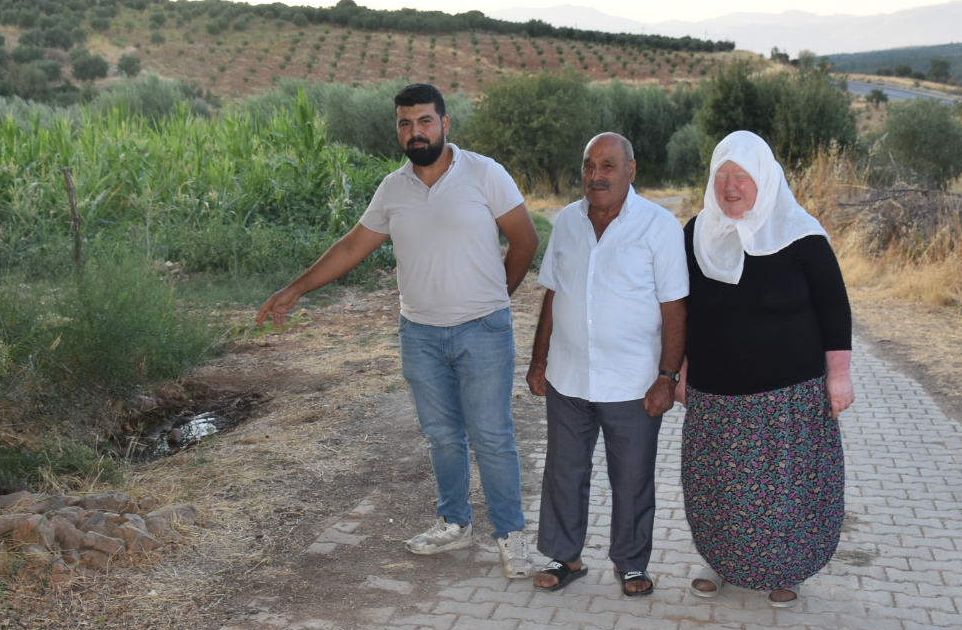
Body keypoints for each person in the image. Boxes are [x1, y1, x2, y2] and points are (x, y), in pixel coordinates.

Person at [256, 83, 541, 578]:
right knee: (442, 436)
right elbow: (351, 247)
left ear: (444, 123)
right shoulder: (393, 188)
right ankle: (455, 523)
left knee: (492, 436)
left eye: (425, 121)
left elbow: (526, 239)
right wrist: (295, 289)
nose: (415, 132)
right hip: (421, 335)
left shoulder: (484, 173)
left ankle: (511, 534)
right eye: (405, 124)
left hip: (483, 331)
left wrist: (497, 297)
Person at [678, 130, 854, 608]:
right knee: (718, 490)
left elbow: (835, 309)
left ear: (765, 178)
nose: (730, 186)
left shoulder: (801, 235)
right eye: (722, 176)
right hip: (715, 396)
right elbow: (680, 309)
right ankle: (718, 563)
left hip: (788, 398)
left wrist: (839, 376)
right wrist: (680, 369)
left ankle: (787, 571)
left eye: (742, 176)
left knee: (785, 492)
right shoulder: (696, 234)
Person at [526, 133, 687, 597]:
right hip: (568, 375)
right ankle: (565, 557)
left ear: (631, 170)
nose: (596, 176)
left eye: (608, 166)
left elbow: (675, 307)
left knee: (632, 477)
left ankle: (631, 564)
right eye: (588, 166)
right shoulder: (567, 222)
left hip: (634, 382)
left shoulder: (659, 226)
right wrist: (539, 359)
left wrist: (667, 376)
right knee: (564, 472)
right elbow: (554, 294)